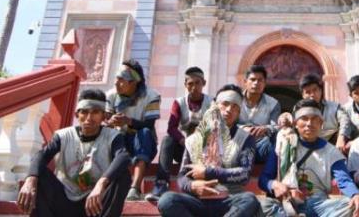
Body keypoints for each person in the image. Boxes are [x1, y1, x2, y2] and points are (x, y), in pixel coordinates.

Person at [16, 89, 131, 217]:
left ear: (104, 116)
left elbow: (123, 157)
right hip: (64, 201)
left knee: (122, 176)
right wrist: (30, 180)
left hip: (95, 205)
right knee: (39, 174)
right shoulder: (64, 135)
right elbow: (41, 156)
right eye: (84, 112)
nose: (89, 118)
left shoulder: (112, 136)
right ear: (77, 114)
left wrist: (101, 183)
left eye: (95, 112)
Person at [157, 84, 261, 216]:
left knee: (249, 200)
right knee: (167, 200)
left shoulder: (246, 139)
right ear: (215, 106)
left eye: (235, 107)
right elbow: (183, 176)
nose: (229, 110)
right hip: (197, 200)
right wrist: (192, 186)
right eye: (225, 104)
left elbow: (244, 174)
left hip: (228, 199)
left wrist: (208, 172)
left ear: (239, 113)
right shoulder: (194, 140)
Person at [259, 99, 359, 217]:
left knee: (350, 204)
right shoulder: (283, 144)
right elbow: (264, 179)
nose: (309, 123)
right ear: (295, 123)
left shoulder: (331, 152)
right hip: (288, 203)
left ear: (321, 123)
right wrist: (275, 185)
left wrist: (355, 194)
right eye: (304, 118)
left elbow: (343, 180)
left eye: (314, 119)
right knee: (263, 205)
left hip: (319, 204)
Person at [147, 66, 213, 202]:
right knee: (167, 140)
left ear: (204, 83)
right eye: (190, 84)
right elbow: (171, 128)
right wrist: (183, 140)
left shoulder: (211, 103)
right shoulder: (179, 102)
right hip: (184, 150)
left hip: (205, 152)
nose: (194, 87)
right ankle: (161, 184)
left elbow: (214, 128)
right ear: (185, 85)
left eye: (197, 83)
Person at [105, 59, 160, 201]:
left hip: (142, 142)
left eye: (121, 79)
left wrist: (127, 121)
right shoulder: (111, 95)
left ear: (133, 82)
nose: (116, 83)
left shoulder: (151, 96)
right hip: (119, 140)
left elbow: (149, 124)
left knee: (145, 134)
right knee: (108, 136)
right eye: (117, 78)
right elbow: (106, 118)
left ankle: (135, 188)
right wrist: (111, 122)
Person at [239, 64, 281, 162]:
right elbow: (227, 123)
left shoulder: (273, 103)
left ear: (265, 83)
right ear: (245, 82)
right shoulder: (235, 100)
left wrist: (266, 128)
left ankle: (269, 174)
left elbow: (276, 126)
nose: (256, 83)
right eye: (253, 79)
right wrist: (243, 128)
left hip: (261, 145)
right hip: (237, 143)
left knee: (280, 135)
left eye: (260, 80)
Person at [299, 73, 350, 154]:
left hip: (333, 147)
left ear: (321, 90)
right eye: (308, 92)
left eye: (315, 90)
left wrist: (341, 137)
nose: (312, 95)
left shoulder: (335, 107)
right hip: (307, 148)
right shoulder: (298, 111)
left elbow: (345, 121)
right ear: (303, 95)